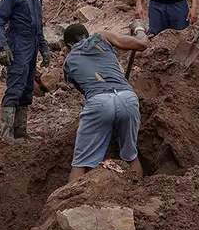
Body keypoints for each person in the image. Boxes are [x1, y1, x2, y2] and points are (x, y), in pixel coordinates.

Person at [63, 21, 149, 184]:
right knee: (131, 156)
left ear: (69, 44)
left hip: (99, 100)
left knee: (81, 163)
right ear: (87, 35)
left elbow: (85, 93)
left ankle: (71, 204)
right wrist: (139, 28)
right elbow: (142, 44)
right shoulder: (102, 37)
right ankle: (138, 195)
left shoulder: (68, 63)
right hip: (127, 96)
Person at [0, 0, 51, 141]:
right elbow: (0, 20)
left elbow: (38, 24)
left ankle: (20, 131)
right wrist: (3, 46)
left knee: (26, 89)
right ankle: (6, 135)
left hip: (32, 46)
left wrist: (44, 48)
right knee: (15, 87)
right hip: (17, 46)